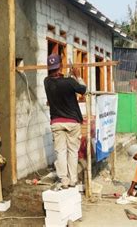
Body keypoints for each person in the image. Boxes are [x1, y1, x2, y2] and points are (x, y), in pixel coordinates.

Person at [44, 54, 87, 190]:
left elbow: (58, 83)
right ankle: (73, 180)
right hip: (72, 121)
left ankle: (64, 180)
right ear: (60, 67)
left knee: (60, 152)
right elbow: (83, 90)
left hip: (56, 122)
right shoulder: (69, 82)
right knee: (72, 151)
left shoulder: (46, 82)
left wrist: (69, 77)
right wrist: (77, 76)